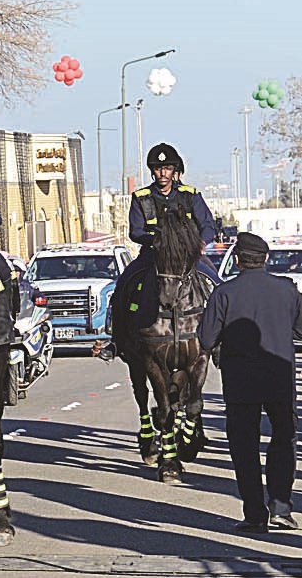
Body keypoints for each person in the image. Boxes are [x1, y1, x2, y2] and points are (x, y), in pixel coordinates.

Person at [198, 232, 299, 532]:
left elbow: (205, 339)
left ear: (238, 260)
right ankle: (281, 507)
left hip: (240, 382)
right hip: (279, 379)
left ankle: (255, 514)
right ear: (266, 258)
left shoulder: (224, 293)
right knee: (284, 440)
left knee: (244, 447)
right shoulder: (287, 290)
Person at [98, 142, 218, 361]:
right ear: (152, 171)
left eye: (167, 169)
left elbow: (208, 225)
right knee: (123, 286)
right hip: (153, 255)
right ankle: (118, 340)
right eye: (158, 169)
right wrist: (158, 241)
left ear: (174, 171)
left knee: (216, 283)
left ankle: (220, 341)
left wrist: (201, 243)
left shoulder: (190, 195)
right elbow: (136, 231)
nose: (163, 173)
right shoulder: (141, 197)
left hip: (187, 256)